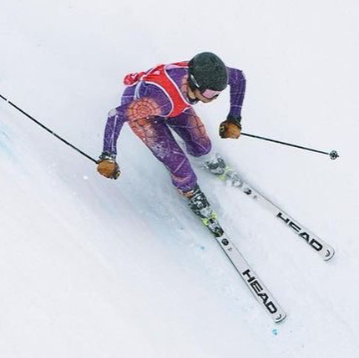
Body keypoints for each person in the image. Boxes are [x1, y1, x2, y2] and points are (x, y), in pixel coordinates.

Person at [96, 52, 246, 231]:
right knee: (180, 166)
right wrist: (108, 156)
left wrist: (234, 118)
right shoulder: (163, 99)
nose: (214, 97)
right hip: (145, 115)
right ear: (194, 83)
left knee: (202, 145)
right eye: (210, 93)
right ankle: (191, 192)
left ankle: (206, 161)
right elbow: (115, 115)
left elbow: (239, 78)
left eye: (217, 93)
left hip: (175, 106)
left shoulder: (208, 74)